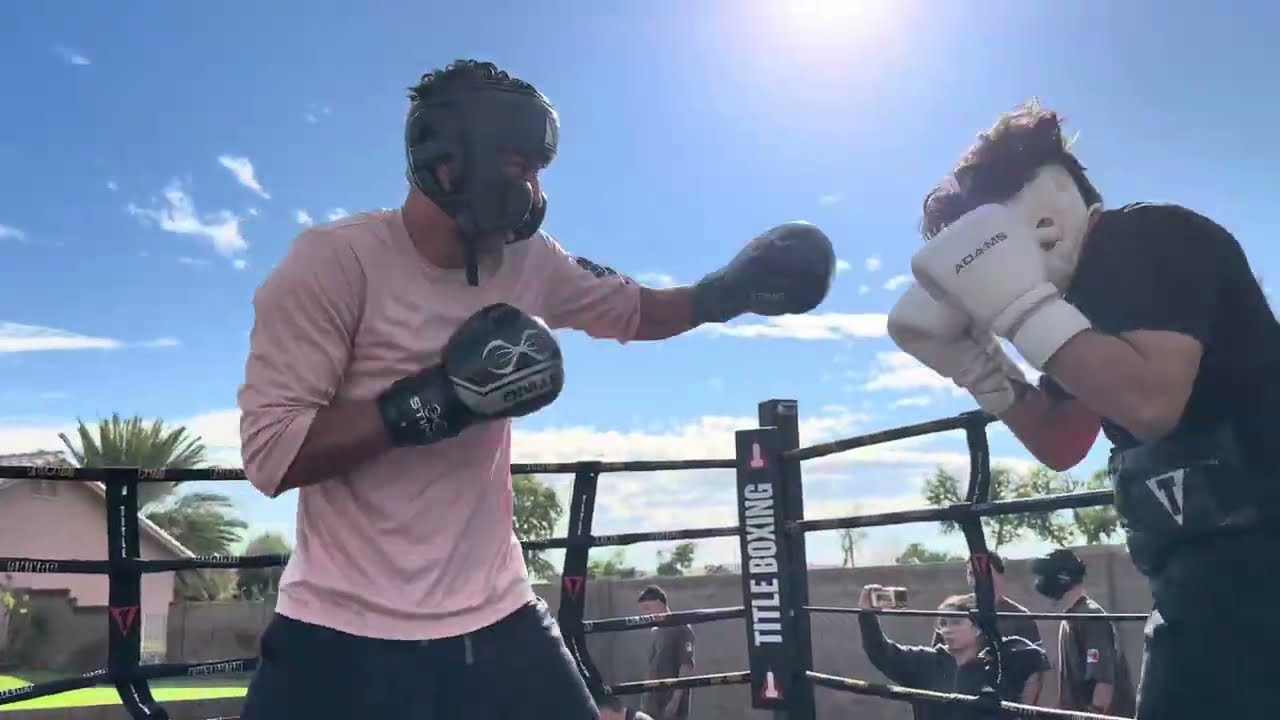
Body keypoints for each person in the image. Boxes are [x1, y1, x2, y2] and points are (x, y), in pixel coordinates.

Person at [235, 59, 836, 720]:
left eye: (539, 170)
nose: (535, 189)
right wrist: (443, 398)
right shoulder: (332, 263)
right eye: (520, 167)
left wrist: (727, 293)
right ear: (446, 165)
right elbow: (274, 454)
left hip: (497, 615)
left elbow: (635, 312)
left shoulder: (528, 259)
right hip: (341, 630)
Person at [887, 97, 1280, 718]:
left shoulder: (1146, 236)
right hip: (1200, 578)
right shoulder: (1071, 315)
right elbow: (1063, 439)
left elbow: (1150, 402)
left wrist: (1019, 308)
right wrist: (974, 363)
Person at [859, 585, 1049, 720]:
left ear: (978, 628)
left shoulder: (995, 666)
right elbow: (879, 652)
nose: (947, 630)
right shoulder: (924, 662)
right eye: (943, 624)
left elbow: (1037, 660)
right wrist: (867, 614)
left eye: (956, 622)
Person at [1029, 549, 1135, 716]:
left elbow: (1103, 683)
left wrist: (1093, 713)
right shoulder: (1071, 617)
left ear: (1062, 578)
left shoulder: (1090, 618)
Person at [929, 551, 1040, 648]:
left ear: (1000, 576)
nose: (977, 580)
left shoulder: (1020, 617)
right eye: (972, 574)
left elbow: (1036, 664)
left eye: (984, 573)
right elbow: (937, 658)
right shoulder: (953, 609)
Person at [637, 585, 696, 720]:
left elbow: (687, 667)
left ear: (659, 603)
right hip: (651, 704)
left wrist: (674, 702)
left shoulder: (681, 628)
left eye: (648, 608)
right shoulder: (655, 631)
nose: (646, 614)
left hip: (669, 705)